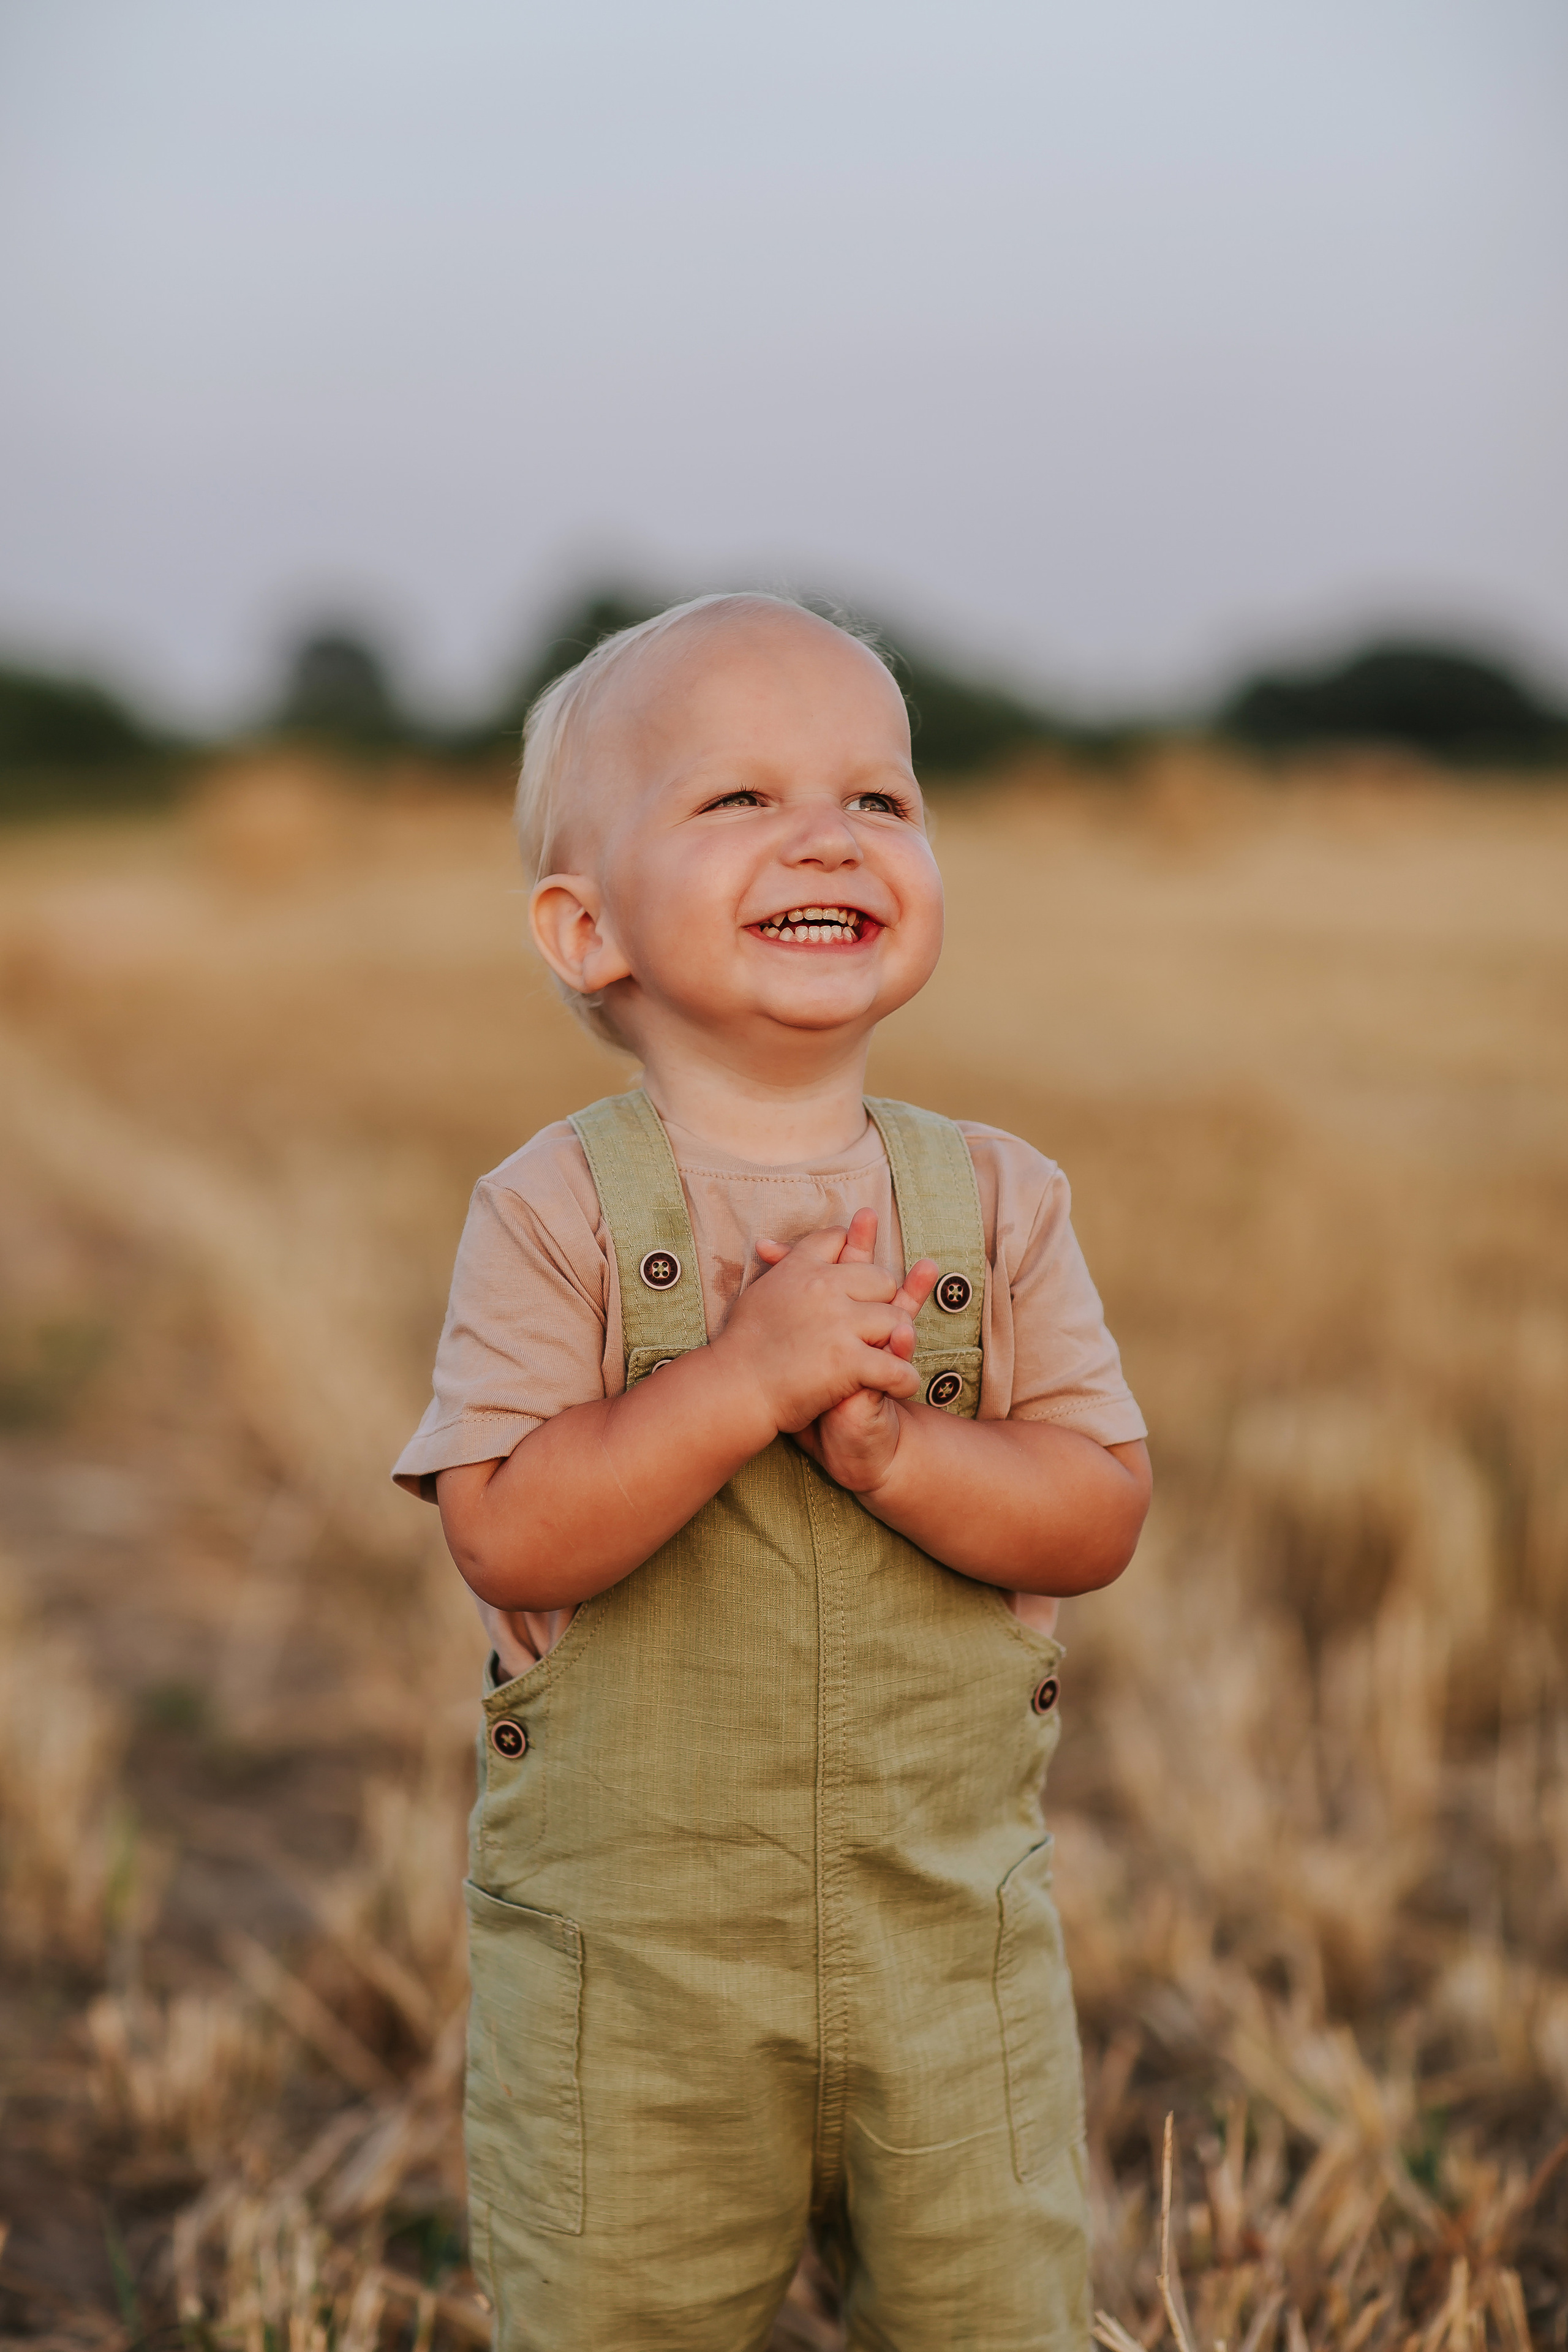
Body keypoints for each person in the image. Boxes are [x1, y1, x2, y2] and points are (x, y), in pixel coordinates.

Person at [393, 593, 1150, 2351]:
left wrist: (896, 1448)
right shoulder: (554, 1207)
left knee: (994, 2318)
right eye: (734, 799)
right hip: (633, 1982)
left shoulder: (999, 1203)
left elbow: (1097, 1509)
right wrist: (739, 1383)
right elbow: (510, 1533)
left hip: (948, 1958)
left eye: (880, 799)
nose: (826, 833)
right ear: (587, 929)